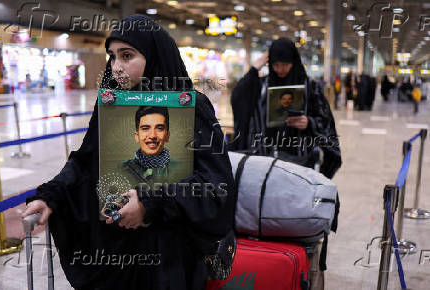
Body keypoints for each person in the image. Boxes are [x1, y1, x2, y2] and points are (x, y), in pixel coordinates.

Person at [22, 14, 235, 290]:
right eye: (112, 57)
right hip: (115, 253)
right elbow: (87, 162)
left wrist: (150, 204)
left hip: (169, 257)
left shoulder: (192, 107)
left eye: (127, 56)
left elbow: (215, 185)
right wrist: (51, 195)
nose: (116, 67)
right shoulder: (110, 106)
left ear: (154, 55)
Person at [230, 37, 342, 179]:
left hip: (299, 160)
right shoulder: (262, 85)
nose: (280, 69)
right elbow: (238, 97)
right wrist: (254, 68)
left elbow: (325, 121)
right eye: (275, 65)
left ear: (293, 62)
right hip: (265, 159)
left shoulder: (310, 88)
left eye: (285, 64)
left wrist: (309, 123)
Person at [122, 106, 171, 185]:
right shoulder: (122, 169)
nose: (152, 136)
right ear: (137, 136)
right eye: (145, 128)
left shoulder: (182, 168)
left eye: (159, 128)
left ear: (167, 136)